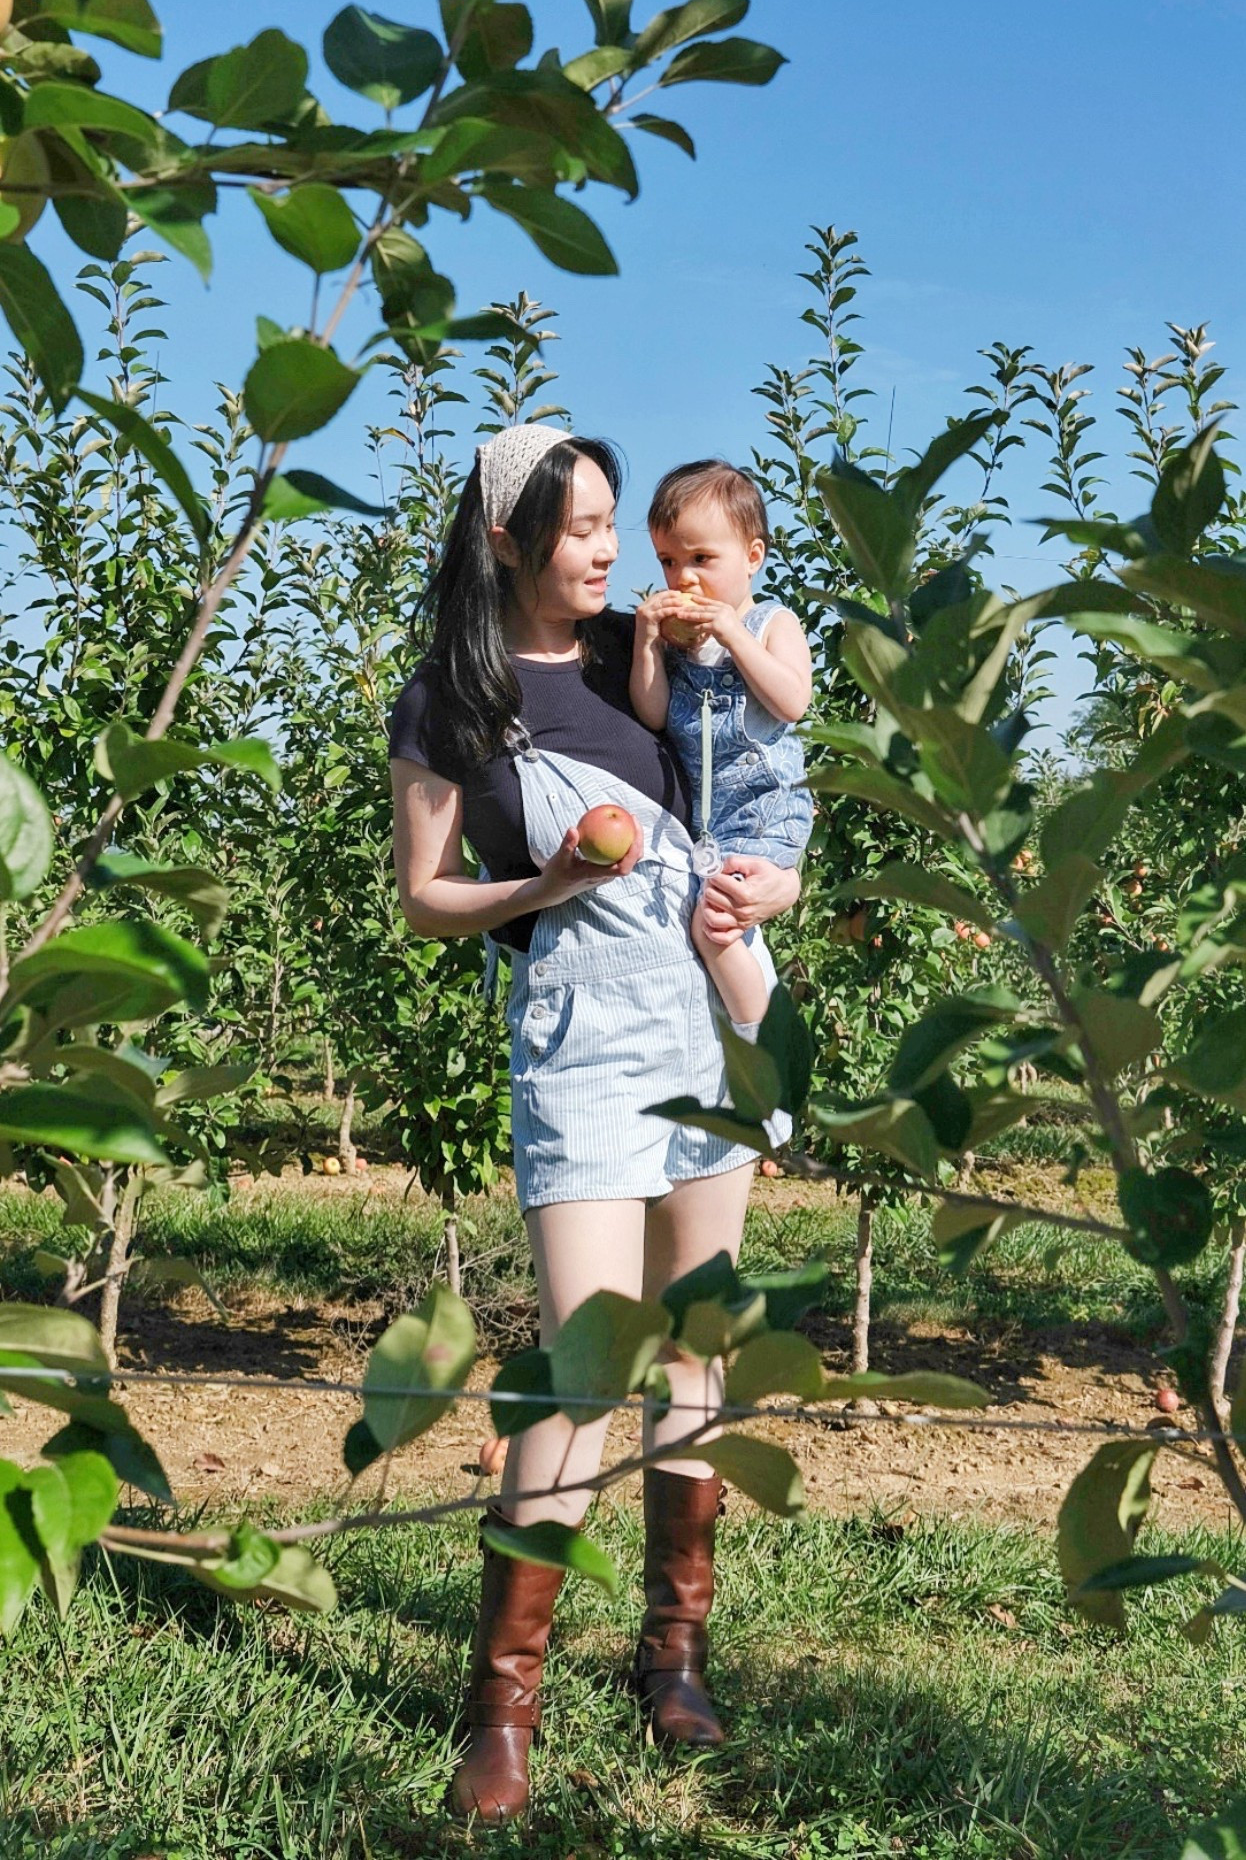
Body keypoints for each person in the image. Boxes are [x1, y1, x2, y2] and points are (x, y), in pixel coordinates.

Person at [388, 424, 801, 1825]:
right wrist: (543, 884)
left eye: (611, 524)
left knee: (695, 1342)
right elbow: (424, 894)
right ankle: (502, 1706)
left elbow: (760, 777)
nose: (606, 551)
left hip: (698, 1012)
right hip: (577, 1036)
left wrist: (776, 888)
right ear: (505, 538)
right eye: (577, 529)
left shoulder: (652, 645)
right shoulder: (453, 699)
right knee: (581, 1362)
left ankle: (672, 1654)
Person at [630, 460, 815, 1029]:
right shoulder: (678, 643)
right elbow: (653, 712)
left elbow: (792, 701)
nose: (683, 577)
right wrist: (647, 641)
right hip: (704, 828)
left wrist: (734, 635)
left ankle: (763, 1038)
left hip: (765, 814)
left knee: (712, 927)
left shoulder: (772, 624)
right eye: (668, 561)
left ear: (752, 557)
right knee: (704, 928)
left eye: (702, 559)